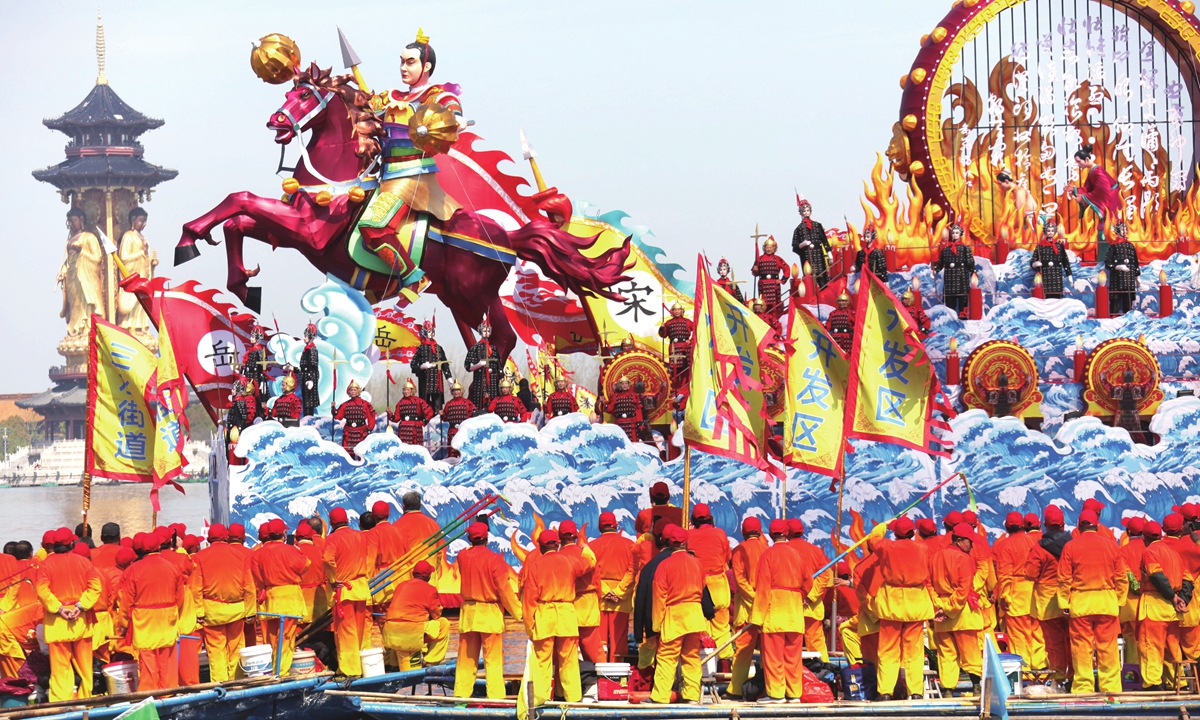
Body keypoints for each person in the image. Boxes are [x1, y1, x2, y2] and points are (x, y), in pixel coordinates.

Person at [1057, 508, 1128, 693]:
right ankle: (1111, 688)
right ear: (1097, 526)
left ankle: (1083, 687)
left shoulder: (1070, 547)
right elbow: (1121, 577)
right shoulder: (1111, 545)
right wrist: (1119, 600)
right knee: (1108, 648)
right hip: (1107, 603)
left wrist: (1064, 603)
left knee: (1081, 648)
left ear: (1079, 526)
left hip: (1080, 604)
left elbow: (1064, 579)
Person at [454, 521, 521, 698]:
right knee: (493, 660)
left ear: (469, 538)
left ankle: (461, 698)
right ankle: (496, 698)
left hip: (469, 613)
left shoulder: (462, 556)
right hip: (490, 613)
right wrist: (519, 613)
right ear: (487, 538)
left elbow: (466, 552)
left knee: (466, 660)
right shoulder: (494, 559)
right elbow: (504, 590)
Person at [521, 530, 588, 707]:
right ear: (557, 544)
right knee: (569, 659)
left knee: (542, 661)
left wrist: (529, 627)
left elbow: (529, 600)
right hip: (566, 614)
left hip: (545, 615)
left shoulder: (536, 565)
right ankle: (573, 699)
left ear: (541, 547)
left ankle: (540, 701)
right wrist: (586, 549)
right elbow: (588, 564)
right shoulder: (569, 561)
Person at [36, 528, 101, 702]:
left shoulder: (45, 565)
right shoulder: (84, 562)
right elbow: (95, 587)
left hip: (57, 622)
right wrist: (80, 606)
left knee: (60, 669)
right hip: (81, 620)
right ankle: (86, 701)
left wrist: (59, 609)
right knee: (85, 667)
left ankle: (61, 703)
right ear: (72, 543)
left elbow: (42, 591)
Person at [874, 516, 934, 700]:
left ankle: (885, 691)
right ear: (912, 532)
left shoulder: (887, 546)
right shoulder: (923, 548)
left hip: (892, 602)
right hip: (916, 601)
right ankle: (915, 691)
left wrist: (883, 525)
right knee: (914, 651)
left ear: (895, 533)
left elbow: (873, 539)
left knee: (887, 649)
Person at [751, 518, 811, 703]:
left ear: (769, 534)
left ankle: (776, 694)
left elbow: (762, 588)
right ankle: (794, 694)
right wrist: (800, 595)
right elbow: (808, 583)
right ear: (786, 534)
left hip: (774, 612)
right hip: (794, 612)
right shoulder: (797, 555)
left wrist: (757, 618)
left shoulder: (767, 555)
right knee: (793, 656)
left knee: (774, 656)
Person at [649, 524, 708, 704]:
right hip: (695, 614)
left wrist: (656, 625)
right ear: (686, 542)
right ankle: (691, 695)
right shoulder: (697, 563)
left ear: (668, 542)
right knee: (691, 657)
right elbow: (703, 586)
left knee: (667, 656)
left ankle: (660, 696)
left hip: (675, 614)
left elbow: (659, 596)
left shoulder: (664, 565)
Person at [120, 532, 185, 691]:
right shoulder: (172, 567)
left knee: (147, 659)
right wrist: (174, 614)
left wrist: (123, 623)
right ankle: (169, 692)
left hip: (144, 619)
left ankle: (149, 692)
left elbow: (126, 601)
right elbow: (180, 597)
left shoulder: (134, 569)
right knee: (167, 657)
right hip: (167, 617)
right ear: (158, 546)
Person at [193, 523, 256, 682]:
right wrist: (250, 612)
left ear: (208, 538)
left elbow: (196, 588)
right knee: (236, 648)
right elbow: (249, 587)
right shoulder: (240, 556)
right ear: (226, 537)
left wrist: (199, 612)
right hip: (236, 611)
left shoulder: (199, 557)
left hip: (212, 612)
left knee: (216, 651)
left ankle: (220, 684)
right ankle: (237, 682)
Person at [930, 523, 983, 695]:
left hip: (941, 614)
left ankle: (947, 690)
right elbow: (964, 588)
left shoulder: (935, 557)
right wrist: (949, 609)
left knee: (946, 654)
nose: (972, 545)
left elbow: (929, 585)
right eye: (969, 541)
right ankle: (976, 687)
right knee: (971, 653)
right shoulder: (964, 558)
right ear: (959, 540)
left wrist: (940, 606)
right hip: (961, 613)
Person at [323, 507, 378, 676]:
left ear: (332, 522)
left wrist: (333, 580)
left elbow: (327, 559)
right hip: (360, 588)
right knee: (361, 630)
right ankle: (364, 667)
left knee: (347, 632)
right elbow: (369, 557)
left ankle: (349, 670)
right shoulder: (360, 536)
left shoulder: (332, 539)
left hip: (344, 591)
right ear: (347, 520)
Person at [1137, 520, 1191, 691]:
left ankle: (1152, 683)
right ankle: (1177, 683)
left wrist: (1173, 597)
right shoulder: (1173, 553)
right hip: (1172, 610)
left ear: (1144, 538)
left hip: (1154, 606)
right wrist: (1181, 599)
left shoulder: (1150, 552)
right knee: (1171, 648)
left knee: (1150, 646)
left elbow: (1156, 576)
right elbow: (1188, 579)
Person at [251, 519, 308, 675]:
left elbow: (257, 577)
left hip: (269, 599)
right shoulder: (291, 550)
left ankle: (271, 670)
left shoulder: (257, 554)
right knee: (286, 637)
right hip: (289, 598)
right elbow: (305, 566)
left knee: (271, 638)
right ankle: (281, 672)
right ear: (284, 533)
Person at [1025, 505, 1070, 681]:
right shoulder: (1072, 543)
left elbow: (1030, 573)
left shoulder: (1039, 549)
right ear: (1063, 524)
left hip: (1046, 602)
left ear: (1045, 524)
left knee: (1054, 643)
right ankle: (1073, 676)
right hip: (1069, 598)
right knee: (1073, 640)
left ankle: (1058, 677)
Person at [686, 505, 733, 668]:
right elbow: (728, 556)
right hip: (719, 585)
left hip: (699, 586)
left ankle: (704, 667)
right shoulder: (720, 533)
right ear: (710, 518)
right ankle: (725, 666)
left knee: (702, 628)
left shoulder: (688, 536)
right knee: (722, 627)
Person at [726, 517, 768, 698]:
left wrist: (753, 599)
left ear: (743, 531)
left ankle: (736, 690)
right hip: (767, 608)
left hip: (747, 612)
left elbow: (740, 581)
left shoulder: (739, 550)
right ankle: (767, 688)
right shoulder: (768, 550)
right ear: (759, 532)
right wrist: (761, 600)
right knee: (767, 652)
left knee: (743, 652)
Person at [383, 560, 449, 670]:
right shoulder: (430, 590)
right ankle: (432, 661)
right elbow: (437, 614)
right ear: (428, 576)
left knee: (396, 625)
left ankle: (391, 663)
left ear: (413, 573)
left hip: (389, 635)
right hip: (411, 635)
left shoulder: (401, 585)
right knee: (443, 624)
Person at [995, 512, 1041, 668]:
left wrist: (1005, 597)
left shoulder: (1006, 545)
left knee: (1019, 635)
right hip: (1035, 593)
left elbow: (1004, 574)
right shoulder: (1034, 541)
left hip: (1016, 595)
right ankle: (1040, 670)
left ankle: (1024, 670)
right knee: (1037, 633)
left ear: (1007, 527)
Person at [590, 512, 635, 663]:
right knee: (619, 640)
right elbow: (633, 571)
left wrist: (604, 591)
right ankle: (618, 677)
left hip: (600, 598)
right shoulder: (630, 545)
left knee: (600, 642)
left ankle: (601, 675)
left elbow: (591, 572)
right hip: (621, 600)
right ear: (616, 525)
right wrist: (618, 592)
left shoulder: (591, 547)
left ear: (599, 527)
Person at [788, 519, 834, 661]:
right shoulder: (815, 550)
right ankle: (825, 676)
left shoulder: (783, 550)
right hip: (811, 606)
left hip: (790, 604)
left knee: (790, 645)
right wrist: (811, 596)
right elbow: (825, 575)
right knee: (817, 644)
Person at [557, 521, 602, 662]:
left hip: (567, 606)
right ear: (576, 536)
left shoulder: (558, 558)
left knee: (567, 653)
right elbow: (597, 582)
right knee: (595, 652)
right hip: (588, 605)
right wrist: (598, 602)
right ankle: (602, 681)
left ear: (560, 537)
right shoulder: (586, 556)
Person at [57, 207, 104, 338]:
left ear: (81, 220)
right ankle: (76, 329)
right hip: (72, 277)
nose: (71, 224)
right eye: (69, 221)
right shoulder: (70, 240)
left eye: (73, 220)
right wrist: (63, 271)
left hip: (84, 276)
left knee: (84, 302)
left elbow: (98, 258)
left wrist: (82, 252)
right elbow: (68, 261)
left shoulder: (89, 237)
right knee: (74, 303)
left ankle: (87, 328)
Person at [1069, 143, 1120, 263]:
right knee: (1103, 230)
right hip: (1108, 201)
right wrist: (1074, 190)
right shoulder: (1092, 171)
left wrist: (1083, 198)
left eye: (1079, 161)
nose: (1078, 164)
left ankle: (1111, 259)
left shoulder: (1098, 172)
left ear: (1086, 159)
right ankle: (1104, 259)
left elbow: (1103, 192)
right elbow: (1088, 189)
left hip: (1111, 202)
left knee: (1108, 230)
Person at [116, 207, 157, 335]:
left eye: (145, 221)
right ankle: (128, 326)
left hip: (143, 278)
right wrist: (140, 254)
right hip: (133, 276)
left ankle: (141, 327)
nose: (144, 224)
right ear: (133, 219)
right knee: (131, 304)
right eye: (141, 220)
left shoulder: (143, 238)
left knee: (142, 304)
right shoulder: (129, 236)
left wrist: (151, 263)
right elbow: (124, 257)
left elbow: (145, 258)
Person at [1117, 516, 1146, 666]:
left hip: (1129, 603)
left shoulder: (1122, 551)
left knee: (1130, 637)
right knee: (1148, 638)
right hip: (1149, 601)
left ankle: (1132, 672)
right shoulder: (1150, 548)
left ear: (1128, 531)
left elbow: (1123, 574)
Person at [409, 321, 452, 413]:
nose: (431, 334)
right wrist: (421, 367)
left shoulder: (438, 348)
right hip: (425, 380)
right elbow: (413, 365)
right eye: (429, 331)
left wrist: (449, 378)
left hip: (437, 381)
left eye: (432, 331)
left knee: (438, 405)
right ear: (424, 332)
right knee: (425, 405)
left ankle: (438, 421)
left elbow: (445, 364)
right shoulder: (420, 348)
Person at [933, 223, 974, 319]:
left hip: (961, 279)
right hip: (949, 280)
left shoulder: (965, 249)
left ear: (960, 234)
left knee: (962, 302)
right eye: (953, 233)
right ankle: (950, 319)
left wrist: (973, 273)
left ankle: (963, 317)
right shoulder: (946, 250)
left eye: (957, 232)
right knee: (949, 303)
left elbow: (971, 263)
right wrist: (935, 270)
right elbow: (940, 263)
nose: (955, 234)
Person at [1098, 369, 1153, 437]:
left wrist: (1103, 377)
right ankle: (1141, 446)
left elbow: (1108, 386)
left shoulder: (1119, 388)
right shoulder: (1137, 388)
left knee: (1118, 434)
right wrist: (1153, 376)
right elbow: (1147, 386)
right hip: (1133, 414)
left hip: (1121, 414)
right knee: (1136, 434)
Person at [792, 196, 831, 289]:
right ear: (801, 212)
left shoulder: (817, 225)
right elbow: (794, 246)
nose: (806, 213)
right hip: (807, 256)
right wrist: (802, 244)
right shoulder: (798, 229)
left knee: (822, 277)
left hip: (818, 255)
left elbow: (824, 240)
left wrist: (829, 252)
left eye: (807, 211)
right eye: (804, 211)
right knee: (810, 279)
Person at [294, 523, 329, 624]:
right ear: (312, 536)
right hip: (319, 597)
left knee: (298, 632)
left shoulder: (293, 552)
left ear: (296, 536)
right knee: (321, 631)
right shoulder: (322, 552)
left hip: (300, 598)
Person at [333, 380, 376, 459]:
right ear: (349, 392)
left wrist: (369, 429)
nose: (353, 392)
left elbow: (371, 417)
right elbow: (338, 416)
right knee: (348, 454)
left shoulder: (366, 404)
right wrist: (333, 409)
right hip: (349, 432)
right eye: (351, 390)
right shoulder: (345, 405)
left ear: (358, 391)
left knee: (362, 454)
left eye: (355, 390)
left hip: (361, 432)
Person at [750, 236, 790, 320]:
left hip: (774, 285)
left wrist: (783, 280)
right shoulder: (759, 259)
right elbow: (755, 273)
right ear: (764, 248)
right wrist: (755, 270)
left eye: (770, 247)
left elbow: (787, 269)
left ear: (774, 248)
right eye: (767, 247)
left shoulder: (778, 259)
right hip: (763, 285)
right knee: (762, 304)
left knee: (774, 306)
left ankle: (775, 320)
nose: (769, 249)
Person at [1105, 221, 1140, 317]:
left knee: (1128, 306)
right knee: (1115, 305)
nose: (1124, 231)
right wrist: (1118, 267)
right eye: (1122, 229)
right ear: (1117, 230)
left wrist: (1137, 277)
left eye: (1125, 229)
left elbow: (1135, 263)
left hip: (1129, 281)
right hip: (1117, 281)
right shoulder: (1114, 246)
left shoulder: (1131, 246)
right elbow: (1108, 263)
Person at [658, 303, 695, 392]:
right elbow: (663, 335)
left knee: (686, 369)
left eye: (679, 310)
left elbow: (697, 330)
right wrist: (662, 328)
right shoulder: (668, 323)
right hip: (674, 348)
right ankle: (676, 390)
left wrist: (691, 340)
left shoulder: (687, 321)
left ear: (682, 311)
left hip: (685, 348)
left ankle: (685, 389)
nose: (677, 311)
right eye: (675, 310)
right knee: (675, 370)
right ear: (672, 311)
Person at [465, 318, 501, 409]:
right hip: (480, 380)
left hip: (492, 381)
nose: (486, 332)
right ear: (481, 331)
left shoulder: (494, 348)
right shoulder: (475, 348)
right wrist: (479, 365)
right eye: (484, 330)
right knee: (479, 403)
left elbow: (499, 367)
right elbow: (468, 366)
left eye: (488, 330)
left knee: (493, 402)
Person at [1031, 218, 1071, 299]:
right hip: (1045, 275)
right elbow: (1033, 261)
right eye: (1048, 231)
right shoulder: (1040, 246)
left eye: (1052, 231)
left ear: (1055, 232)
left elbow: (1065, 261)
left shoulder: (1059, 246)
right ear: (1045, 231)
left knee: (1057, 297)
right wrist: (1035, 264)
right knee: (1046, 297)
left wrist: (1069, 274)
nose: (1050, 232)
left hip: (1057, 275)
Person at [391, 379, 434, 446]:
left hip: (415, 428)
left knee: (416, 447)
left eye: (408, 390)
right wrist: (390, 414)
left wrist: (423, 422)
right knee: (404, 448)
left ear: (412, 390)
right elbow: (396, 418)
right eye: (404, 390)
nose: (406, 391)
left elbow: (430, 411)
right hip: (404, 430)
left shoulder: (419, 401)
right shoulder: (400, 402)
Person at [441, 380, 476, 458]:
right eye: (454, 390)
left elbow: (473, 414)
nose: (456, 392)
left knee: (463, 450)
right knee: (452, 450)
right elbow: (445, 417)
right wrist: (442, 414)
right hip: (452, 430)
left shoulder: (467, 402)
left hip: (463, 430)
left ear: (461, 391)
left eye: (458, 390)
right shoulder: (449, 403)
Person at [241, 325, 271, 415]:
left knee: (258, 400)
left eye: (253, 337)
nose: (251, 339)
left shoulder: (259, 351)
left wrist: (262, 381)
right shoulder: (251, 351)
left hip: (256, 379)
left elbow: (263, 368)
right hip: (250, 380)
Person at [604, 376, 644, 444]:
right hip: (620, 424)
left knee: (633, 443)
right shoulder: (616, 396)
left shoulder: (633, 395)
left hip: (631, 424)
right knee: (621, 443)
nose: (624, 385)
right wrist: (604, 403)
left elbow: (638, 410)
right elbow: (610, 409)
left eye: (626, 383)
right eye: (622, 384)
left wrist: (640, 424)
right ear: (620, 385)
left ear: (628, 385)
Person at [299, 322, 321, 418]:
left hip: (309, 379)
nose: (304, 338)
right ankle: (305, 417)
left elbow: (313, 366)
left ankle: (309, 419)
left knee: (309, 402)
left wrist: (310, 379)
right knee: (306, 401)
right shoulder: (306, 350)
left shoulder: (312, 350)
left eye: (306, 336)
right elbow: (303, 367)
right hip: (304, 378)